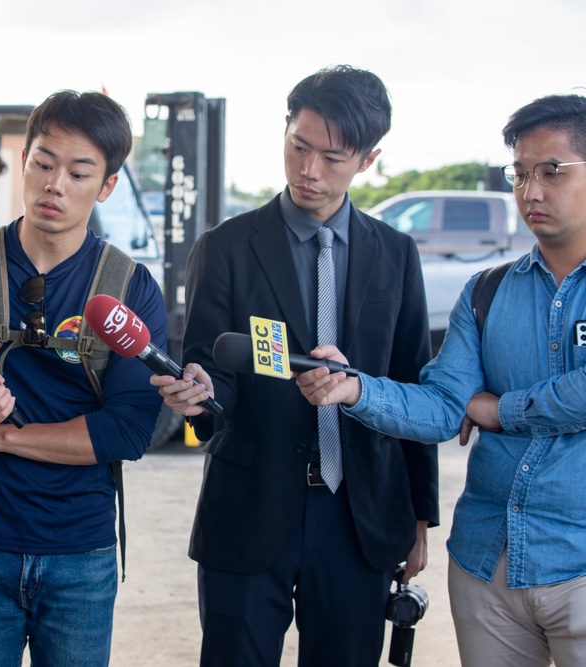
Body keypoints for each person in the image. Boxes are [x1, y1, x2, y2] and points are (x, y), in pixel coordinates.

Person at [151, 65, 440, 666]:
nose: (309, 171)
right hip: (250, 507)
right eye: (298, 147)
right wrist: (200, 392)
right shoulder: (227, 248)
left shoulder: (395, 253)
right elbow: (210, 365)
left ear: (368, 160)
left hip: (359, 517)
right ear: (284, 130)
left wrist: (418, 514)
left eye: (332, 158)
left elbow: (413, 383)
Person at [297, 93, 586, 667]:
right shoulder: (485, 292)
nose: (530, 192)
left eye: (552, 172)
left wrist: (496, 411)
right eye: (520, 174)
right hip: (487, 565)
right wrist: (355, 388)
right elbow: (441, 406)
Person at [0, 90, 165, 666]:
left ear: (108, 185)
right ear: (24, 160)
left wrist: (5, 437)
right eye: (44, 163)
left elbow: (127, 431)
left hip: (81, 557)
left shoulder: (130, 286)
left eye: (78, 171)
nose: (55, 184)